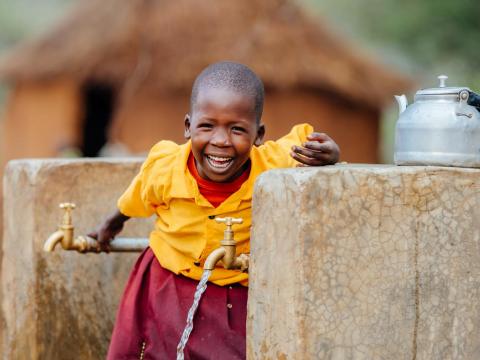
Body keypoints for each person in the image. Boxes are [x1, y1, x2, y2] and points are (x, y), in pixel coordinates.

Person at [89, 61, 340, 359]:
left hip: (234, 291)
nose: (220, 141)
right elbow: (134, 198)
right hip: (165, 281)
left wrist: (330, 154)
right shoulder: (166, 169)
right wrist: (110, 225)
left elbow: (311, 142)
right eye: (207, 126)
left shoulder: (274, 165)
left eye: (237, 129)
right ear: (187, 127)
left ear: (258, 135)